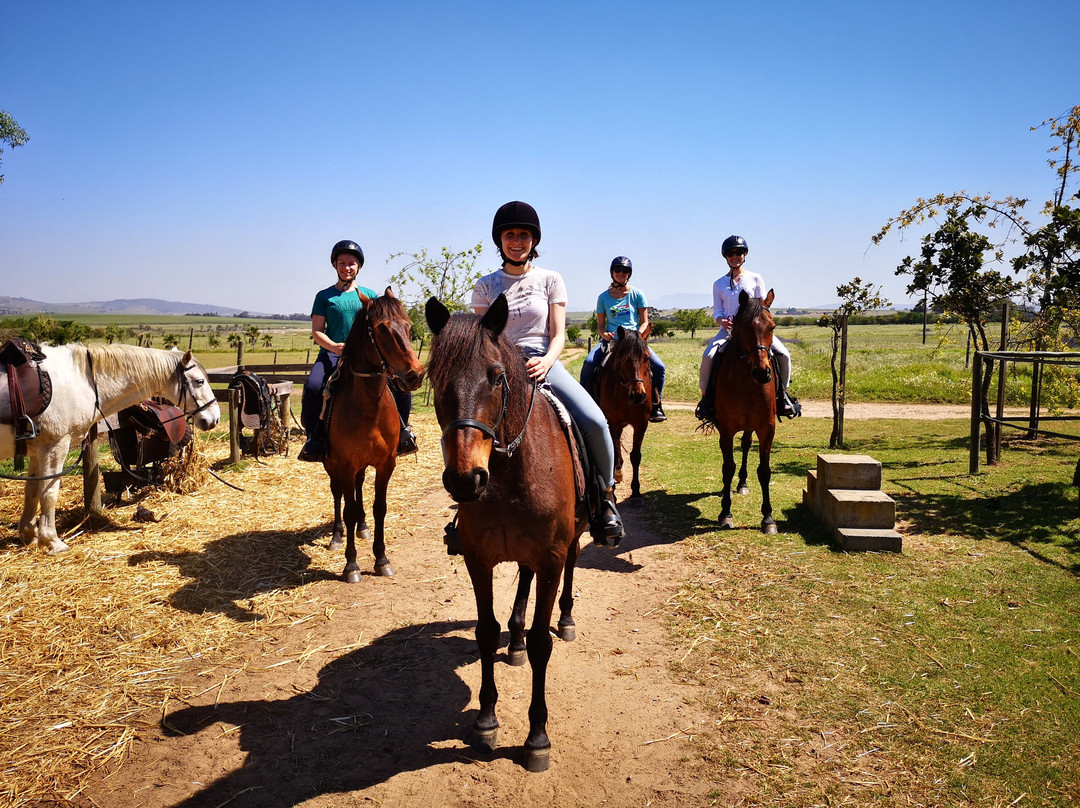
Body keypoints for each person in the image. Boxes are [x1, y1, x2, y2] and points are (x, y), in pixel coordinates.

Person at [471, 201, 624, 545]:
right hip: (499, 368)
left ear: (533, 241)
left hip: (542, 363)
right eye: (510, 234)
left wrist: (547, 361)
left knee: (596, 422)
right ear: (500, 240)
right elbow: (483, 336)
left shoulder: (550, 279)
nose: (517, 240)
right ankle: (462, 511)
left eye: (523, 235)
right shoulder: (484, 286)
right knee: (464, 424)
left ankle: (605, 499)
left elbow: (558, 335)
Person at [297, 239, 418, 462]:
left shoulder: (371, 295)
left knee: (401, 387)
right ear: (335, 266)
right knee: (314, 387)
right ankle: (314, 438)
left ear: (358, 267)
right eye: (342, 263)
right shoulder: (324, 297)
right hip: (333, 353)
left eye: (351, 263)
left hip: (368, 356)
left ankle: (403, 431)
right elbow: (317, 331)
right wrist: (333, 346)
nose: (347, 267)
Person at [697, 235, 797, 418]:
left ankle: (782, 395)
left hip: (754, 332)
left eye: (739, 252)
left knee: (783, 354)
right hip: (728, 332)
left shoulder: (755, 278)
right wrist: (722, 322)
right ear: (725, 257)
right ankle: (706, 399)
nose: (735, 256)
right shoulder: (718, 284)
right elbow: (717, 311)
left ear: (745, 255)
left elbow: (762, 305)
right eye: (731, 254)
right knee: (708, 356)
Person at [579, 256, 667, 422]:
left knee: (659, 366)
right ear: (612, 272)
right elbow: (600, 325)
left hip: (634, 340)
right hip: (613, 340)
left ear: (629, 274)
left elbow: (645, 321)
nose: (621, 273)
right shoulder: (603, 297)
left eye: (625, 271)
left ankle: (656, 404)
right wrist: (605, 334)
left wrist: (638, 335)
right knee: (590, 363)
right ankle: (585, 404)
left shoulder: (637, 294)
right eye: (618, 270)